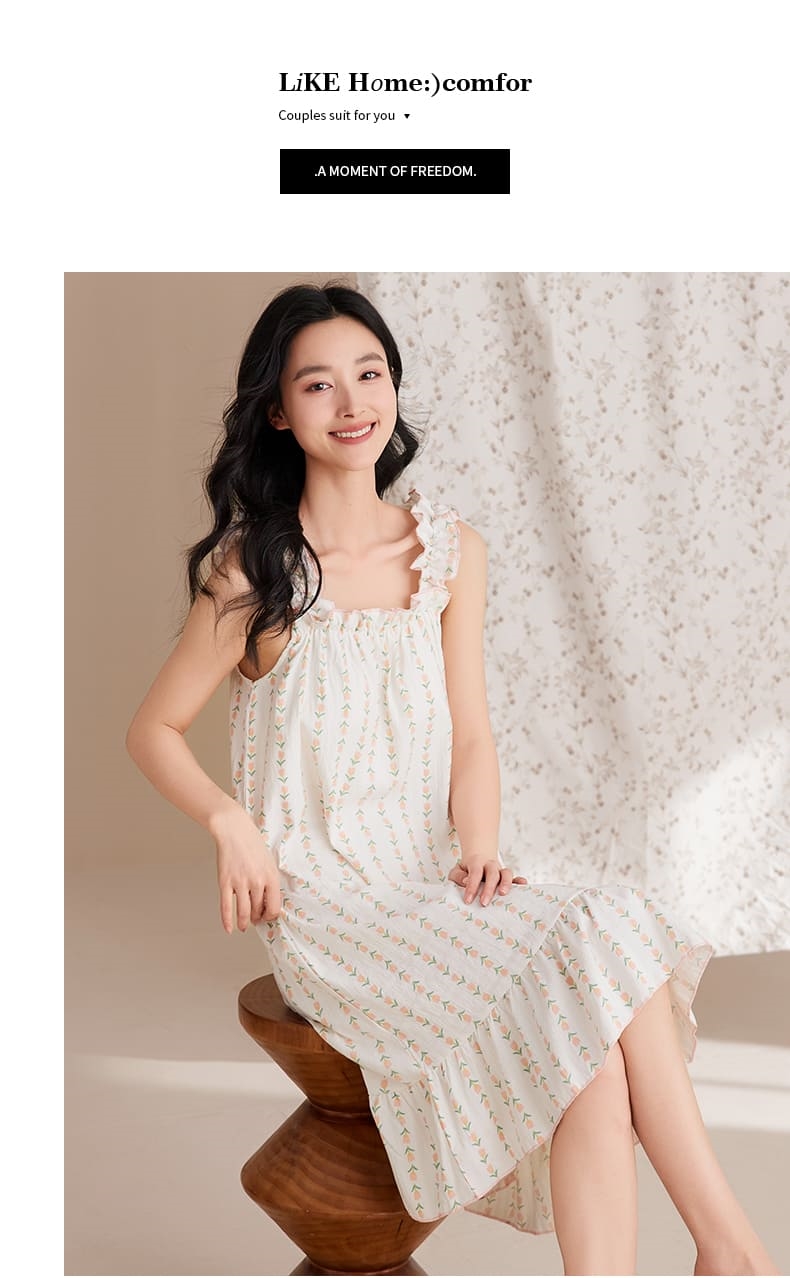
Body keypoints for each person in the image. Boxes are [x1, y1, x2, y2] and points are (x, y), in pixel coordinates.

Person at [126, 283, 778, 1277]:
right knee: (598, 971)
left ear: (393, 386)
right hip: (330, 904)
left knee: (601, 991)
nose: (353, 401)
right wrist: (229, 821)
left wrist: (478, 849)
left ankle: (717, 1252)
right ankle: (730, 1252)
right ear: (279, 411)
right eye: (318, 384)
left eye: (370, 373)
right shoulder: (254, 572)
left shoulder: (448, 551)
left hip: (434, 878)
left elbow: (471, 735)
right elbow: (153, 729)